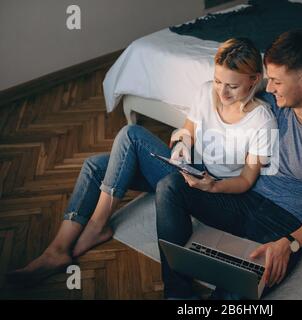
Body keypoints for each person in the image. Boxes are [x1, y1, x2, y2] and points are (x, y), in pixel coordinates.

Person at [7, 37, 276, 285]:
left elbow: (246, 180)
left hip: (214, 191)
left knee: (131, 135)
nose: (222, 92)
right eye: (218, 81)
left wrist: (212, 187)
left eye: (232, 85)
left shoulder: (261, 119)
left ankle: (98, 225)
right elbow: (187, 132)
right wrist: (181, 147)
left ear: (254, 80)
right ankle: (57, 249)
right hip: (190, 169)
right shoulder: (207, 92)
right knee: (94, 166)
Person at [156, 29, 302, 299]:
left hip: (282, 225)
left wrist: (291, 243)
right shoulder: (271, 100)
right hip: (245, 199)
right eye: (268, 79)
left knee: (234, 292)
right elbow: (227, 88)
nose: (268, 87)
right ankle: (177, 294)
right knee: (170, 187)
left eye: (276, 81)